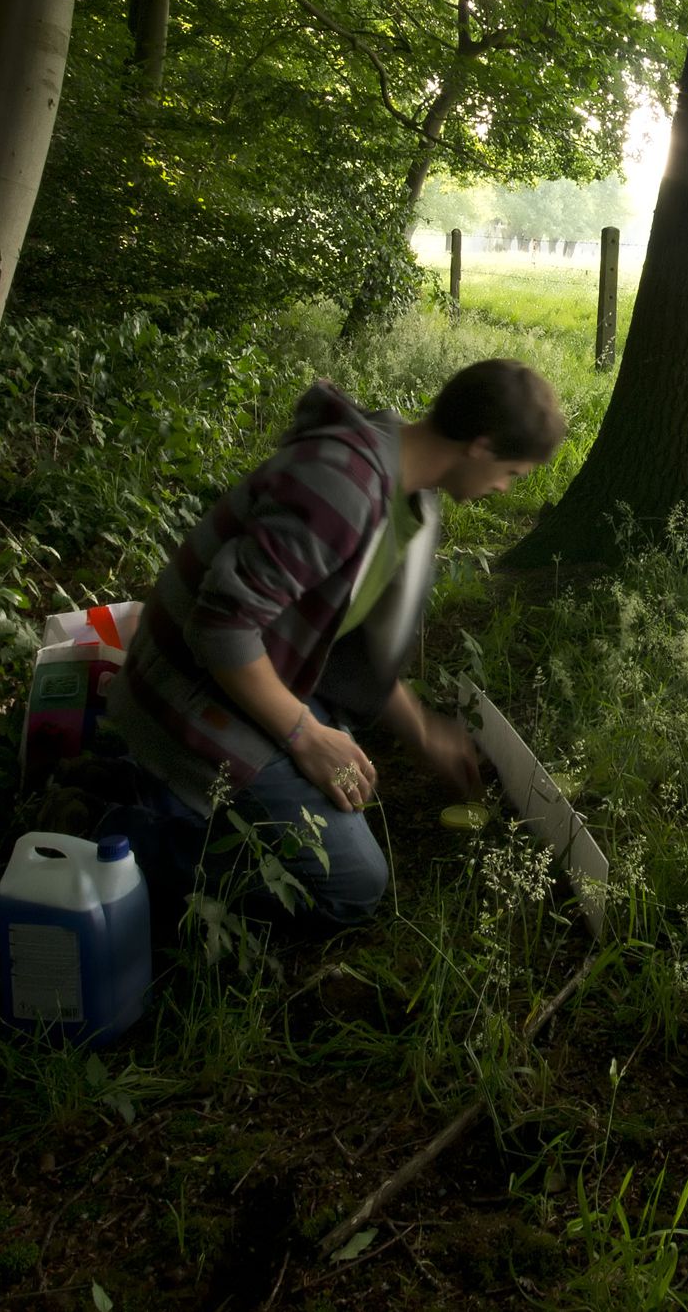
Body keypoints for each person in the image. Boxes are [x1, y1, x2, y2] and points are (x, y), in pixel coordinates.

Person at [100, 358, 566, 929]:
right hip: (188, 693)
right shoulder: (342, 485)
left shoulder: (412, 497)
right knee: (352, 887)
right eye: (512, 473)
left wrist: (422, 731)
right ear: (481, 445)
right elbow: (220, 627)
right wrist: (306, 735)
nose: (503, 488)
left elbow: (346, 649)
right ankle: (122, 836)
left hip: (262, 673)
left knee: (347, 784)